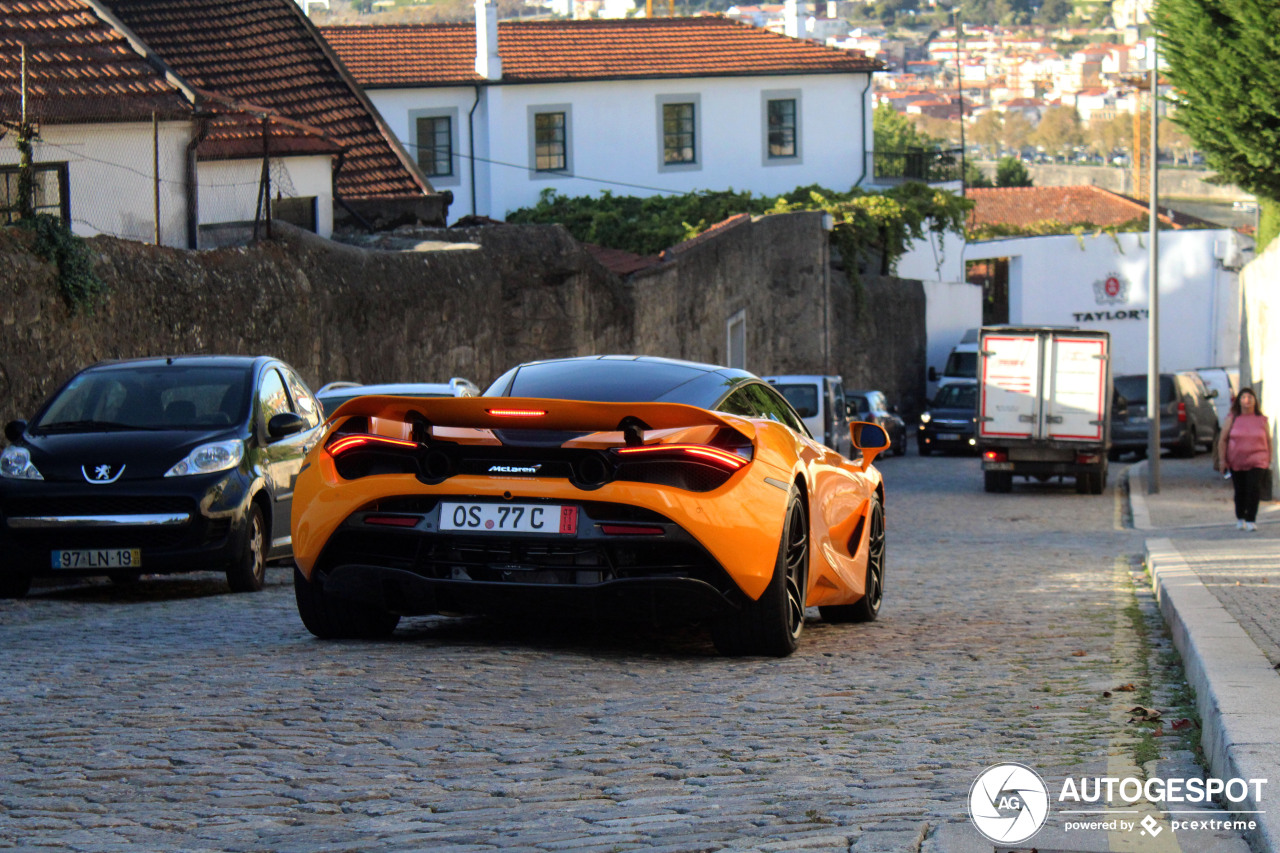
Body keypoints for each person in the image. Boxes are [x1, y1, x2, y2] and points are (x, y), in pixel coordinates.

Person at [1218, 387, 1272, 531]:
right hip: (1237, 461)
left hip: (1258, 460)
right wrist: (1222, 460)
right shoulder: (1232, 419)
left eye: (1250, 397)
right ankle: (1240, 516)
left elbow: (1268, 440)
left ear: (1255, 400)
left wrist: (1269, 459)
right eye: (1243, 397)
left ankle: (1251, 519)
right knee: (1240, 490)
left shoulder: (1261, 420)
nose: (1247, 400)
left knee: (1254, 488)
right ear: (1239, 401)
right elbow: (1223, 440)